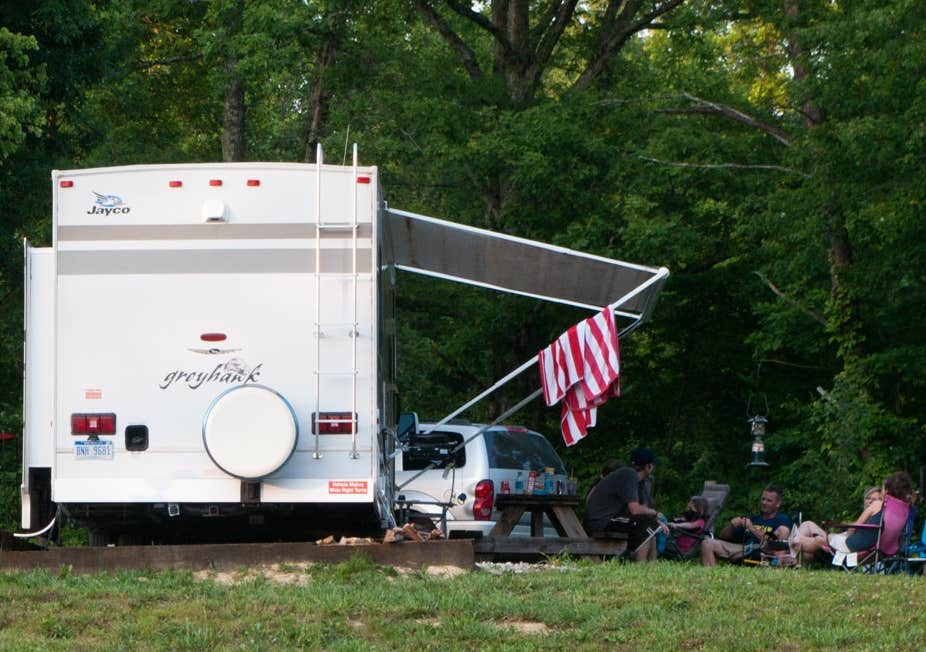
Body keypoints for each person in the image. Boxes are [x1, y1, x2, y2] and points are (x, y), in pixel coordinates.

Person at [790, 472, 913, 560]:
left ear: (886, 491)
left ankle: (790, 543)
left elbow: (853, 527)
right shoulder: (904, 510)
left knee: (818, 540)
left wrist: (844, 536)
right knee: (813, 534)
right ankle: (792, 546)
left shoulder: (878, 505)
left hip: (855, 546)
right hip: (881, 551)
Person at [583, 447, 668, 562]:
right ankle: (641, 565)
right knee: (645, 523)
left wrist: (656, 521)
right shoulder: (629, 475)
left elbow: (632, 510)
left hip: (607, 519)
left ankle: (652, 564)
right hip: (601, 522)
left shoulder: (629, 476)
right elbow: (635, 509)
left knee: (650, 524)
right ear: (648, 466)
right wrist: (655, 513)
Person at [700, 485, 791, 566]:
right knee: (707, 543)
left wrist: (752, 528)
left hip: (764, 550)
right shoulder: (753, 519)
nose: (764, 502)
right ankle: (711, 575)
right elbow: (724, 537)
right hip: (744, 549)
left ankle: (778, 565)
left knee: (783, 531)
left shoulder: (782, 519)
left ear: (778, 504)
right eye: (763, 499)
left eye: (769, 500)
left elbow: (773, 543)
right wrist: (731, 526)